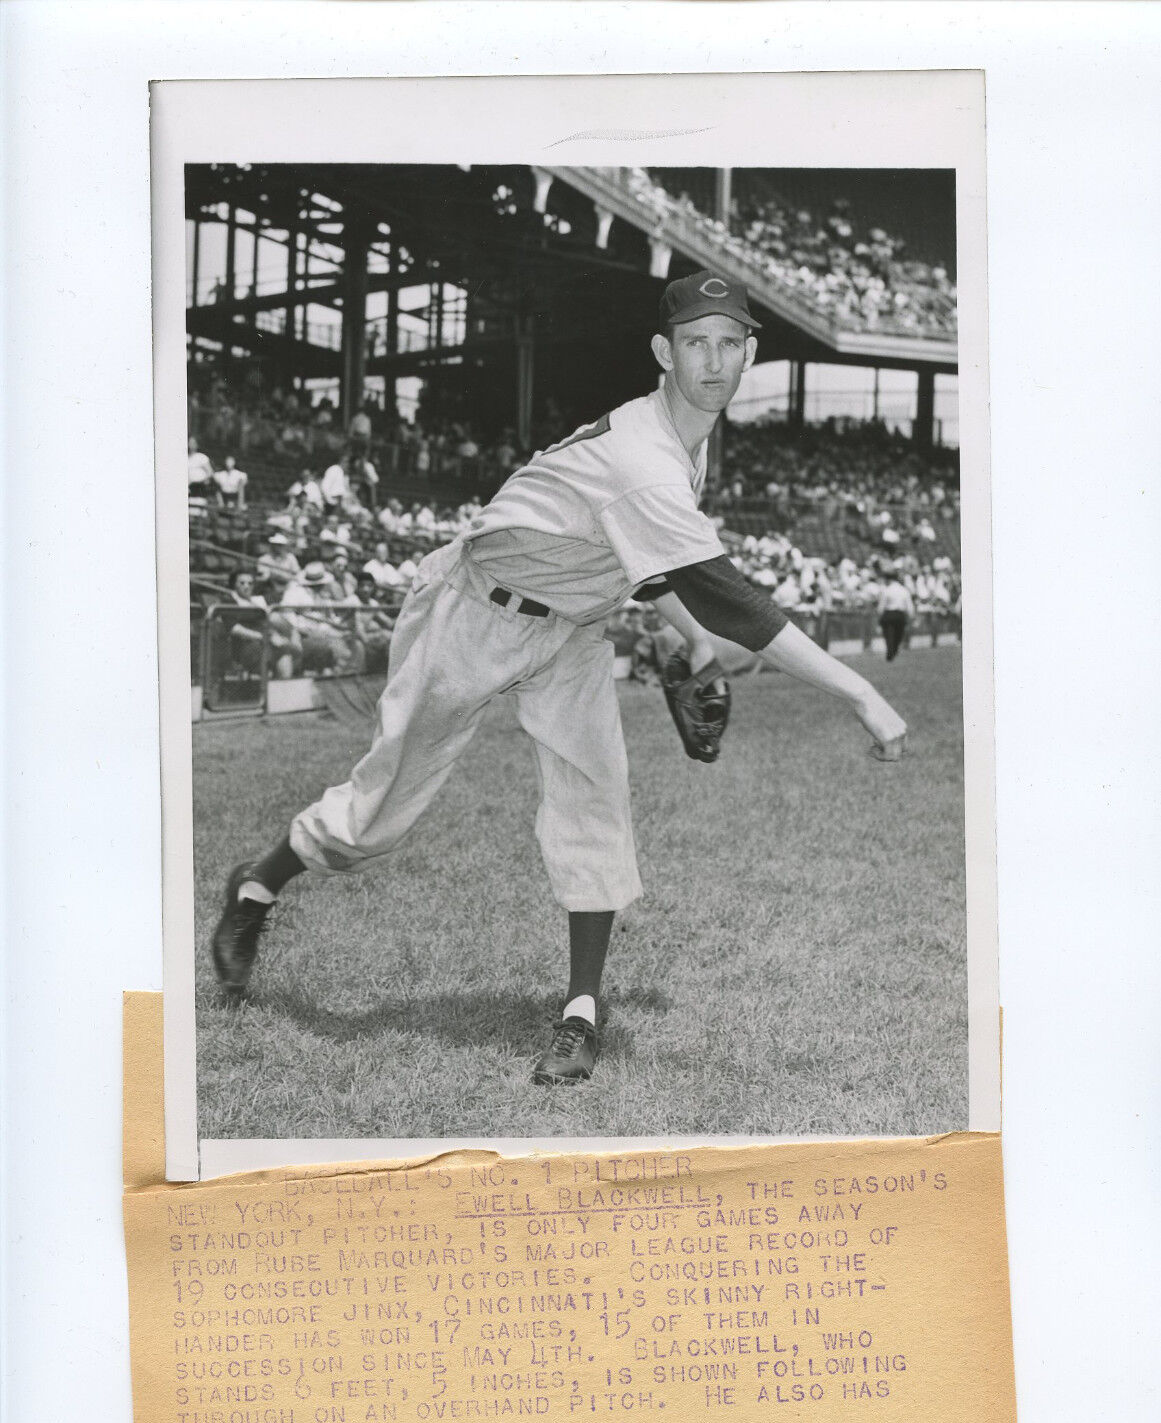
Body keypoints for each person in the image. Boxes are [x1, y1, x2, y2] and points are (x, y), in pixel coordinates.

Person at [212, 268, 906, 1087]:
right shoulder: (646, 457)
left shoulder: (688, 437)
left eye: (728, 344)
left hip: (572, 625)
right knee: (379, 811)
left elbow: (638, 566)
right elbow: (738, 604)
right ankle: (255, 890)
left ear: (748, 352)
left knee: (594, 798)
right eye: (695, 345)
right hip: (472, 611)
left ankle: (581, 1010)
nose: (713, 363)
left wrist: (692, 645)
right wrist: (859, 691)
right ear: (664, 352)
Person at [877, 573, 915, 661]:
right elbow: (909, 605)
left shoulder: (887, 590)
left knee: (888, 634)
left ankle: (890, 651)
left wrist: (879, 614)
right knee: (898, 634)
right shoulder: (904, 590)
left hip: (889, 614)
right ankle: (894, 649)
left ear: (889, 580)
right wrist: (911, 615)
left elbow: (882, 605)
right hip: (900, 615)